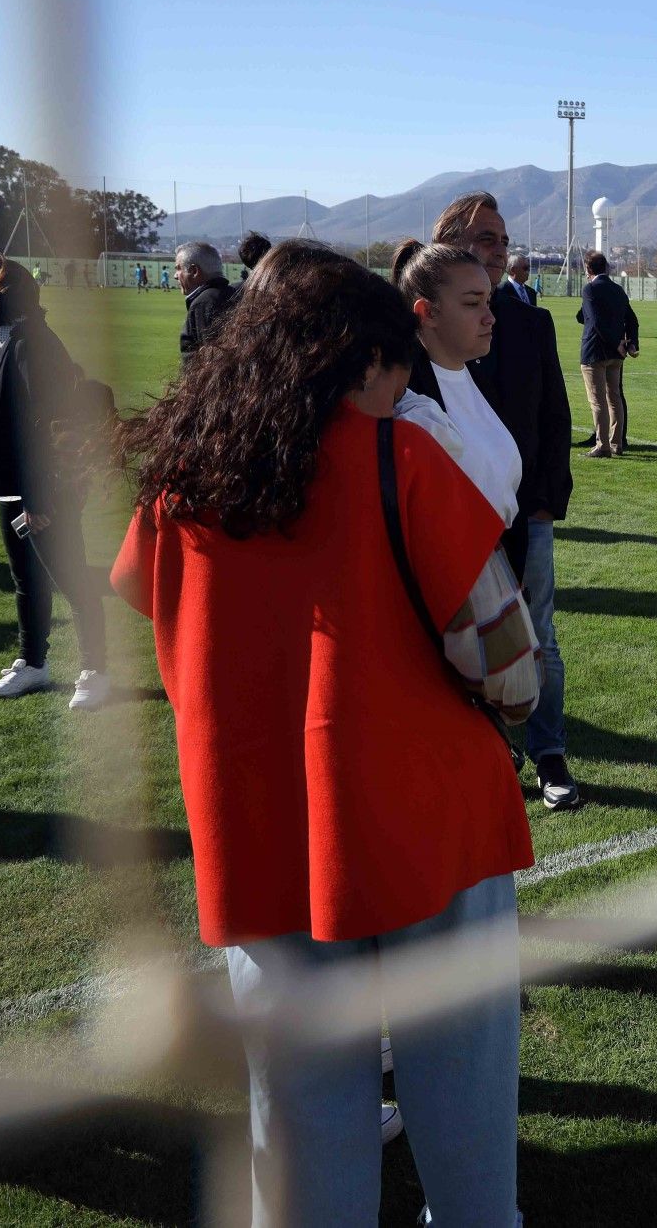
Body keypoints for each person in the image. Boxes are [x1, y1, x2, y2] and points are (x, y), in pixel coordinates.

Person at [113, 242, 529, 1224]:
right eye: (393, 365)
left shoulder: (182, 477)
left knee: (298, 1117)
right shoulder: (400, 454)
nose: (400, 386)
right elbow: (506, 656)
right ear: (356, 358)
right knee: (461, 1097)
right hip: (426, 816)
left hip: (255, 824)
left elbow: (145, 602)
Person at [431, 192, 583, 809]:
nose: (500, 252)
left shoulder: (530, 322)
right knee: (460, 636)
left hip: (526, 514)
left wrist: (545, 504)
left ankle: (549, 753)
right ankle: (489, 752)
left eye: (502, 240)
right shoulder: (424, 326)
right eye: (485, 239)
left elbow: (553, 417)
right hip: (447, 518)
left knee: (537, 635)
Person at [0, 254, 113, 711]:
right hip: (23, 484)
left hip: (44, 487)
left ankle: (95, 670)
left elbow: (47, 426)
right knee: (27, 579)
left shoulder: (32, 344)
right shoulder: (16, 340)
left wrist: (39, 497)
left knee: (70, 577)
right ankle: (33, 663)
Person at [579, 251, 638, 457]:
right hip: (617, 355)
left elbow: (594, 322)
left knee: (597, 401)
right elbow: (632, 320)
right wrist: (630, 344)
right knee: (614, 398)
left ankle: (602, 445)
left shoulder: (590, 289)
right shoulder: (617, 289)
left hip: (595, 352)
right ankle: (616, 443)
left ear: (588, 269)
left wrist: (615, 343)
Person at [176, 241, 237, 361]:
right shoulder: (232, 293)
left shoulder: (204, 303)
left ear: (194, 271)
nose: (175, 275)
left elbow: (211, 360)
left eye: (178, 269)